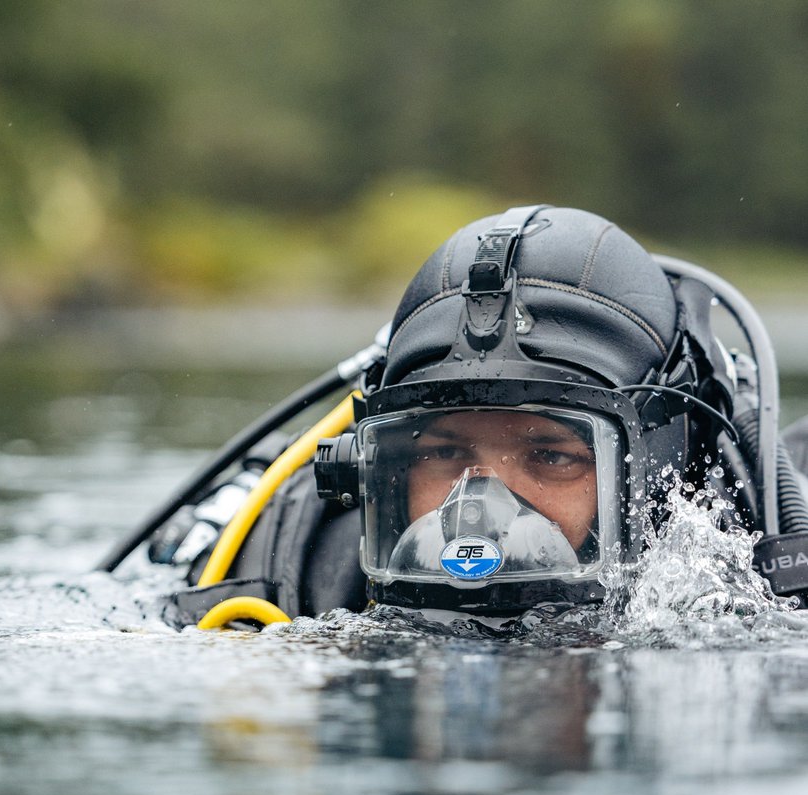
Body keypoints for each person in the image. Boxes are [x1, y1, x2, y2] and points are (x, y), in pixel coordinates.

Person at [99, 205, 808, 629]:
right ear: (375, 466)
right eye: (441, 454)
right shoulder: (289, 586)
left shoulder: (743, 586)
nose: (480, 513)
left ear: (653, 472)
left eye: (553, 456)